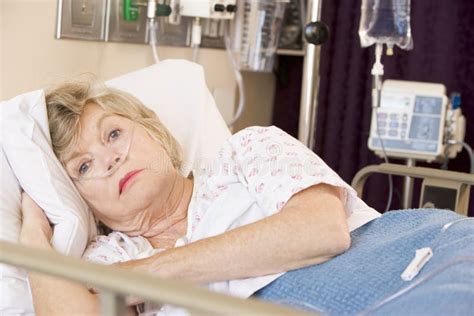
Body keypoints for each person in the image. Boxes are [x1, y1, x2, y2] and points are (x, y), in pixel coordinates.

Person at [19, 80, 474, 315]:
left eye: (114, 134)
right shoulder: (108, 256)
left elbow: (321, 232)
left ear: (154, 131)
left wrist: (147, 274)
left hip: (419, 260)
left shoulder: (247, 151)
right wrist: (34, 240)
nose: (109, 160)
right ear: (82, 203)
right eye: (82, 167)